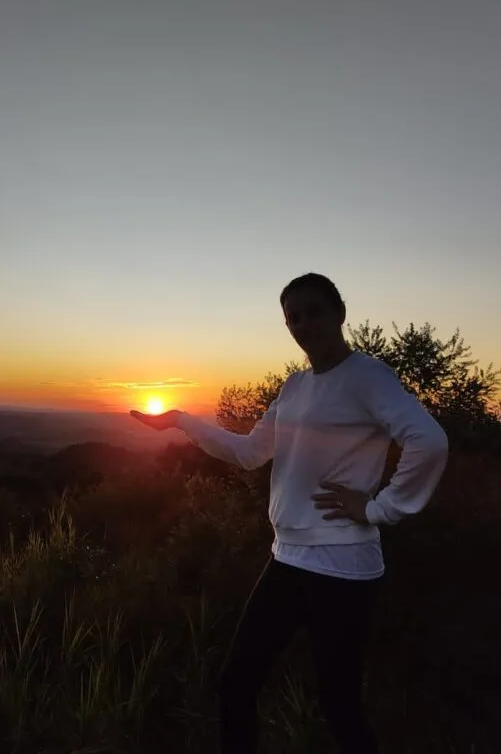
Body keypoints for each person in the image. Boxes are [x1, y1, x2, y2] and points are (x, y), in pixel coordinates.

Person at [130, 272, 449, 754]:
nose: (301, 324)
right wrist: (179, 419)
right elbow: (250, 453)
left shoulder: (367, 376)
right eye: (291, 317)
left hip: (343, 567)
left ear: (340, 313)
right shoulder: (296, 386)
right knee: (237, 684)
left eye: (312, 312)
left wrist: (381, 507)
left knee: (339, 706)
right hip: (288, 559)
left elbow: (429, 441)